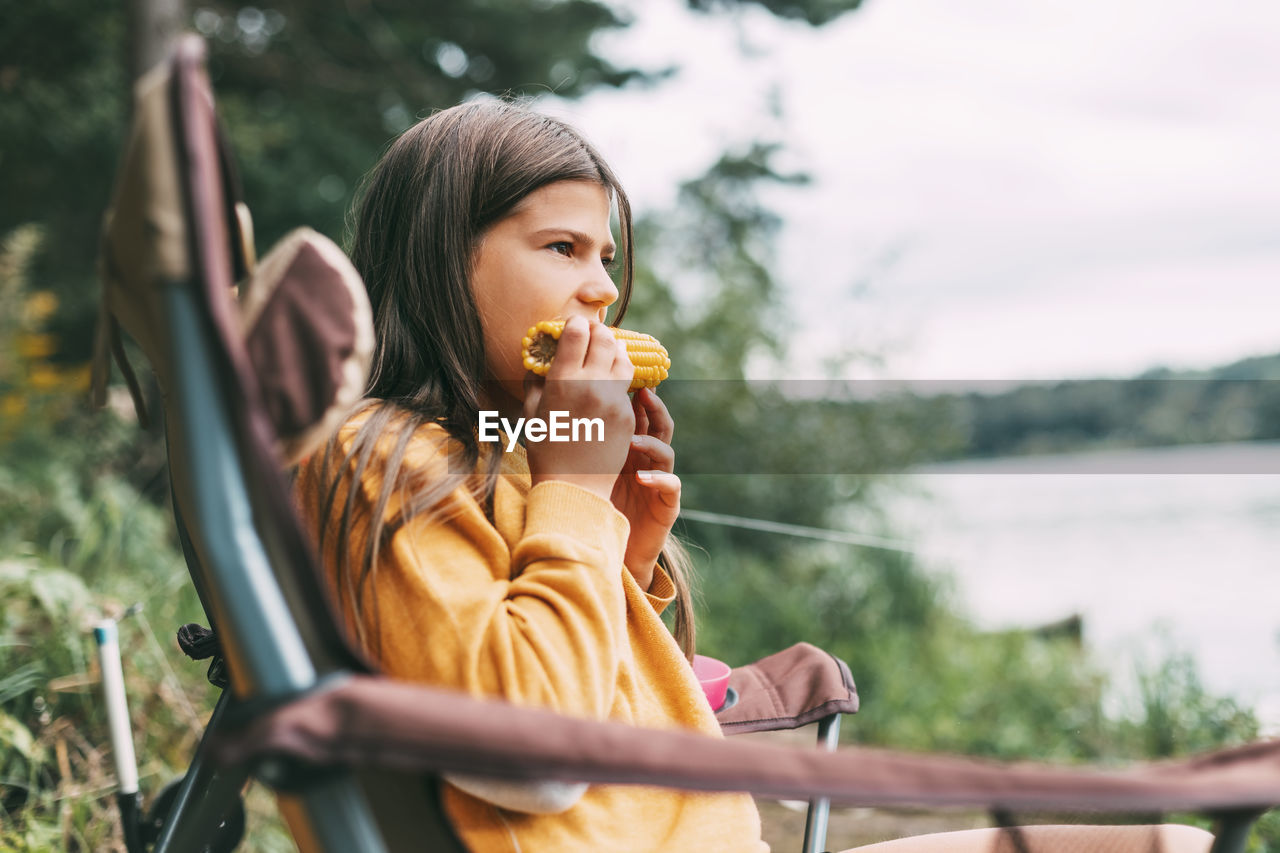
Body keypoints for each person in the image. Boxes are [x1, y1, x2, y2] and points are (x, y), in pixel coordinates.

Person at [295, 101, 1213, 853]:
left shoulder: (492, 455)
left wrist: (619, 543)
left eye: (606, 258)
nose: (604, 291)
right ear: (442, 261)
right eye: (562, 249)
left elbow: (570, 683)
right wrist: (574, 493)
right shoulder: (386, 460)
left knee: (1174, 845)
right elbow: (532, 757)